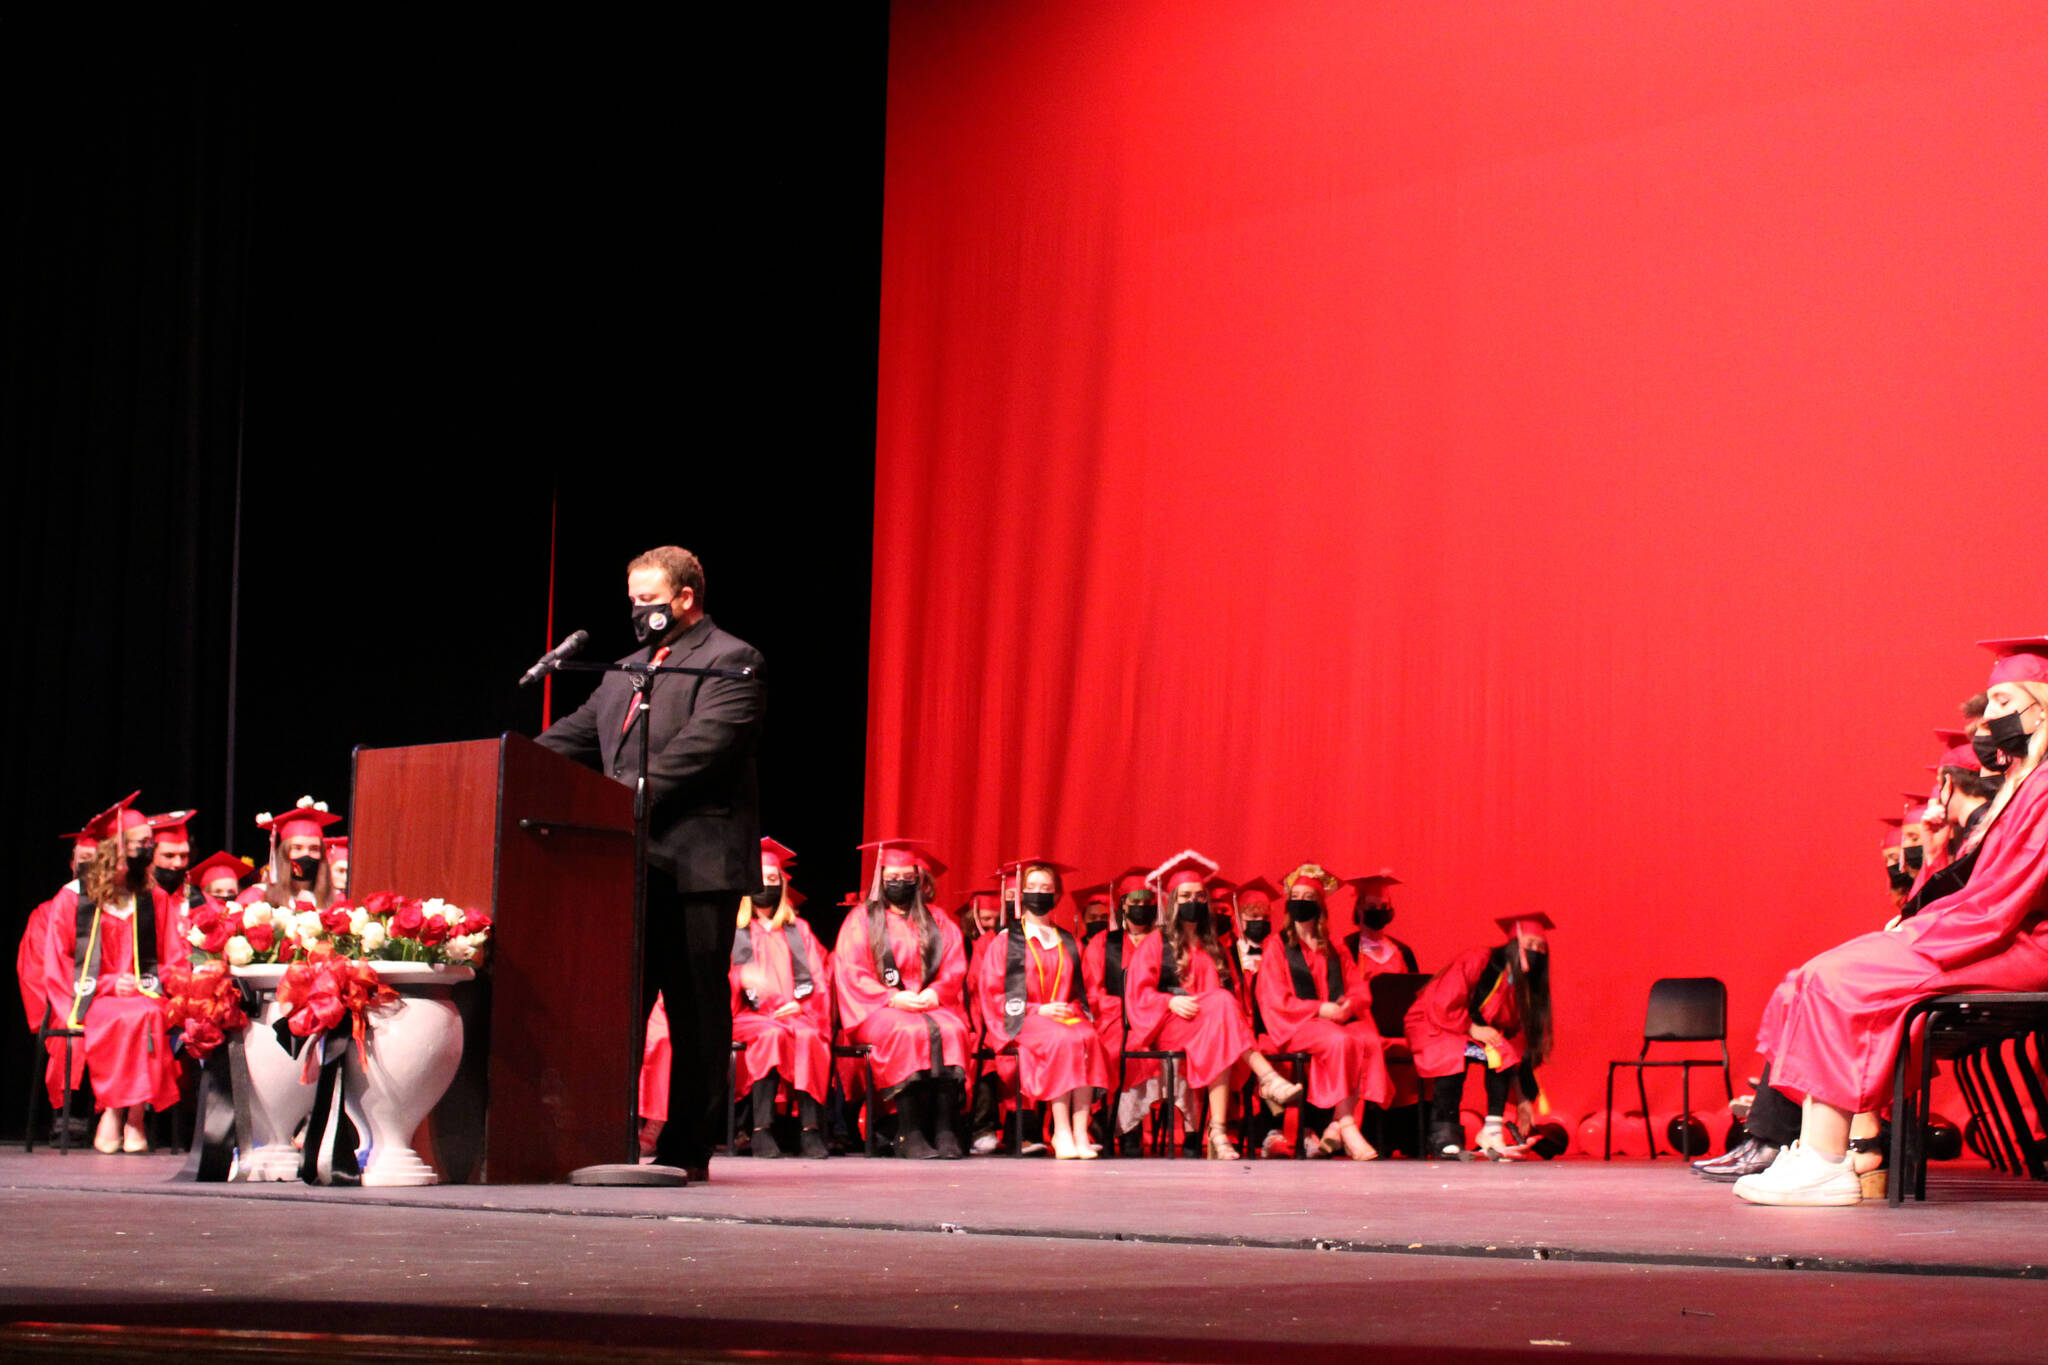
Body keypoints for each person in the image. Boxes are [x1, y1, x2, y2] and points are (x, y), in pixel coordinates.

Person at [1735, 638, 2048, 1206]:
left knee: (1844, 978)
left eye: (2003, 701)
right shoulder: (2025, 787)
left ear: (2041, 707)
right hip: (1994, 932)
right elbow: (1985, 896)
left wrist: (1918, 934)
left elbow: (2002, 902)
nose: (1991, 717)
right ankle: (1813, 1149)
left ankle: (1831, 1164)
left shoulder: (2046, 790)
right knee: (1819, 973)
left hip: (2024, 947)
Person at [537, 545, 765, 1182]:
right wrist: (508, 765)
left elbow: (702, 751)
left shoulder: (731, 660)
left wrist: (623, 795)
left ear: (685, 597)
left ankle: (687, 1148)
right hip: (626, 865)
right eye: (632, 599)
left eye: (648, 599)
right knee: (617, 1006)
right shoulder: (625, 670)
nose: (638, 611)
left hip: (695, 865)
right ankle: (605, 1134)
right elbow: (573, 736)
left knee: (693, 1009)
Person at [33, 795, 185, 1153]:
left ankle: (122, 1115)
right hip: (91, 998)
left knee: (146, 1012)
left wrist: (152, 982)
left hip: (145, 995)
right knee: (129, 1018)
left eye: (150, 843)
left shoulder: (154, 897)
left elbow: (174, 956)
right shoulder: (72, 899)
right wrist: (107, 983)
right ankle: (129, 1118)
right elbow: (57, 961)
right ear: (115, 847)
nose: (150, 849)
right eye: (142, 843)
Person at [1127, 852, 1303, 1159]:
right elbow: (1138, 995)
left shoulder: (1216, 947)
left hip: (1208, 1028)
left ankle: (1218, 1133)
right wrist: (1169, 1000)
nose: (1192, 901)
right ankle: (1267, 1078)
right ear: (1172, 902)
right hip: (1168, 1027)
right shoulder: (1156, 942)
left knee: (1221, 1029)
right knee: (1221, 1010)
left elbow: (1236, 996)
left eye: (1198, 895)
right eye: (1185, 896)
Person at [833, 839, 970, 1159]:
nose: (900, 884)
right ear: (880, 880)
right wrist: (893, 998)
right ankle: (909, 1131)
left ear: (920, 880)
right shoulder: (862, 919)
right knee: (907, 1031)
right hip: (879, 1009)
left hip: (929, 1004)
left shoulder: (938, 920)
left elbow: (954, 966)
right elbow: (852, 971)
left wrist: (935, 992)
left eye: (907, 878)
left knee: (952, 1030)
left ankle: (945, 1129)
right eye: (892, 878)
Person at [974, 861, 1109, 1159]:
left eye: (1046, 889)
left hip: (1064, 1015)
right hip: (1025, 1019)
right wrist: (1038, 1010)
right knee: (1063, 1040)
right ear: (1022, 894)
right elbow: (994, 993)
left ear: (1057, 895)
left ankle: (1079, 1130)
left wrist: (1067, 1010)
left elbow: (1082, 991)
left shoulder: (1069, 941)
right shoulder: (1007, 942)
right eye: (1032, 888)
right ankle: (1059, 1131)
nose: (1039, 894)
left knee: (1088, 1037)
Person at [1259, 865, 1390, 1159]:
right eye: (1297, 896)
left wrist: (1348, 1006)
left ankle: (1337, 1124)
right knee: (1342, 1041)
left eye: (1309, 896)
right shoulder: (1276, 947)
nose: (1302, 901)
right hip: (1296, 1025)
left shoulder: (1335, 948)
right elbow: (1275, 999)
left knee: (1368, 1039)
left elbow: (1358, 989)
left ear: (1320, 905)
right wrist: (1321, 1008)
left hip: (1334, 1021)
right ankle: (1347, 1124)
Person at [1405, 914, 1554, 1161]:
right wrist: (1471, 1028)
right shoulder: (1478, 960)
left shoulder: (1521, 988)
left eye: (1540, 947)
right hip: (1434, 1024)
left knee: (1500, 1051)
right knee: (1453, 1056)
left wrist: (1525, 1099)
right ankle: (1444, 1135)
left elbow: (1514, 1042)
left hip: (1469, 1034)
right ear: (1512, 943)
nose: (1535, 951)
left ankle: (1492, 1130)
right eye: (1529, 944)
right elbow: (1443, 1002)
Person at [730, 838, 831, 1159]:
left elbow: (819, 977)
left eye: (773, 880)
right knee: (771, 1035)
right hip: (750, 1017)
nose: (766, 885)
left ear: (783, 886)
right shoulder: (735, 931)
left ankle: (810, 1130)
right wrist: (740, 979)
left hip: (795, 1013)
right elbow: (722, 984)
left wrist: (802, 1005)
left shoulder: (798, 929)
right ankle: (762, 1131)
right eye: (760, 879)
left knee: (810, 1036)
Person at [1082, 867, 1164, 1156]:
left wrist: (1147, 1010)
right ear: (1122, 905)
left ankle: (1125, 1125)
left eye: (1146, 903)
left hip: (1157, 1020)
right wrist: (1128, 1009)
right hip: (1115, 1020)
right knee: (1118, 1048)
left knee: (1144, 1045)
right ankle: (1124, 1127)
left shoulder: (1164, 942)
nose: (1141, 908)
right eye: (1134, 902)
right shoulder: (1103, 942)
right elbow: (1093, 992)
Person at [242, 798, 343, 911]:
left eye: (314, 849)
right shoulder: (256, 897)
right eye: (297, 848)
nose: (306, 854)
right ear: (284, 854)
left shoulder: (337, 900)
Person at [1340, 871, 1420, 976]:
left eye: (1384, 906)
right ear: (1359, 909)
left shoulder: (1402, 953)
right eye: (1372, 907)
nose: (1378, 911)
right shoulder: (1346, 950)